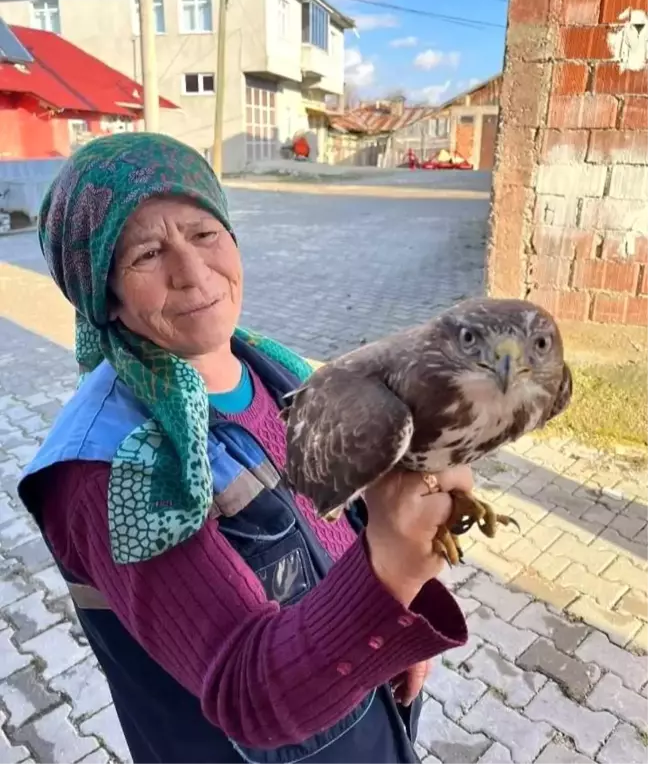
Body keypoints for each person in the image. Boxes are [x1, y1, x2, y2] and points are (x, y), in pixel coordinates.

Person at [19, 132, 473, 764]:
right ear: (105, 294)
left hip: (366, 718)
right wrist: (396, 566)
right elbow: (246, 693)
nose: (192, 272)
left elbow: (341, 525)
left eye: (204, 233)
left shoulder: (276, 371)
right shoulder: (108, 466)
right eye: (148, 252)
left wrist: (399, 619)